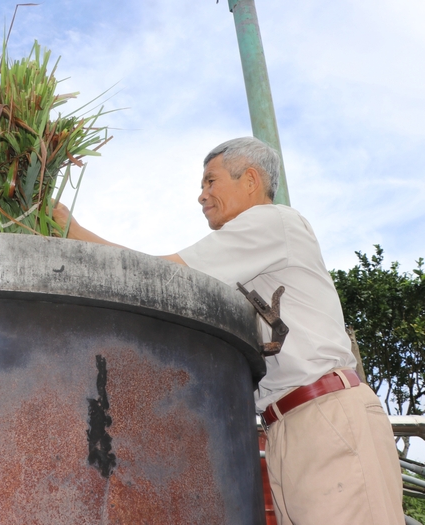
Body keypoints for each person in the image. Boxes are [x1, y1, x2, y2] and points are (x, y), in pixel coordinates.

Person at [54, 137, 404, 525]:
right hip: (288, 424)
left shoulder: (272, 222)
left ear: (250, 179)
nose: (201, 196)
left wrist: (72, 231)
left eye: (210, 181)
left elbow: (169, 277)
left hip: (325, 414)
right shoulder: (245, 257)